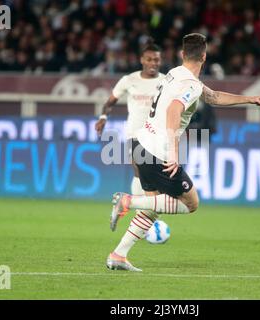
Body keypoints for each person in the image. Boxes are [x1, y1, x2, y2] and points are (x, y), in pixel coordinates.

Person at [107, 33, 260, 272]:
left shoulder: (175, 73)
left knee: (153, 207)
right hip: (159, 152)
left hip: (140, 145)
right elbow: (174, 110)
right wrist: (174, 153)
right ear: (204, 57)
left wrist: (250, 99)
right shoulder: (191, 85)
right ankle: (127, 201)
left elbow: (213, 96)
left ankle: (118, 255)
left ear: (183, 54)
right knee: (191, 203)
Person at [95, 40, 165, 271]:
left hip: (159, 138)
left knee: (153, 190)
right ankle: (131, 207)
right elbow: (110, 102)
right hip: (136, 137)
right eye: (149, 59)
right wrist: (103, 118)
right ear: (141, 60)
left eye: (157, 59)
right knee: (148, 184)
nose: (153, 63)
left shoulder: (166, 81)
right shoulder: (129, 80)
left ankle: (129, 204)